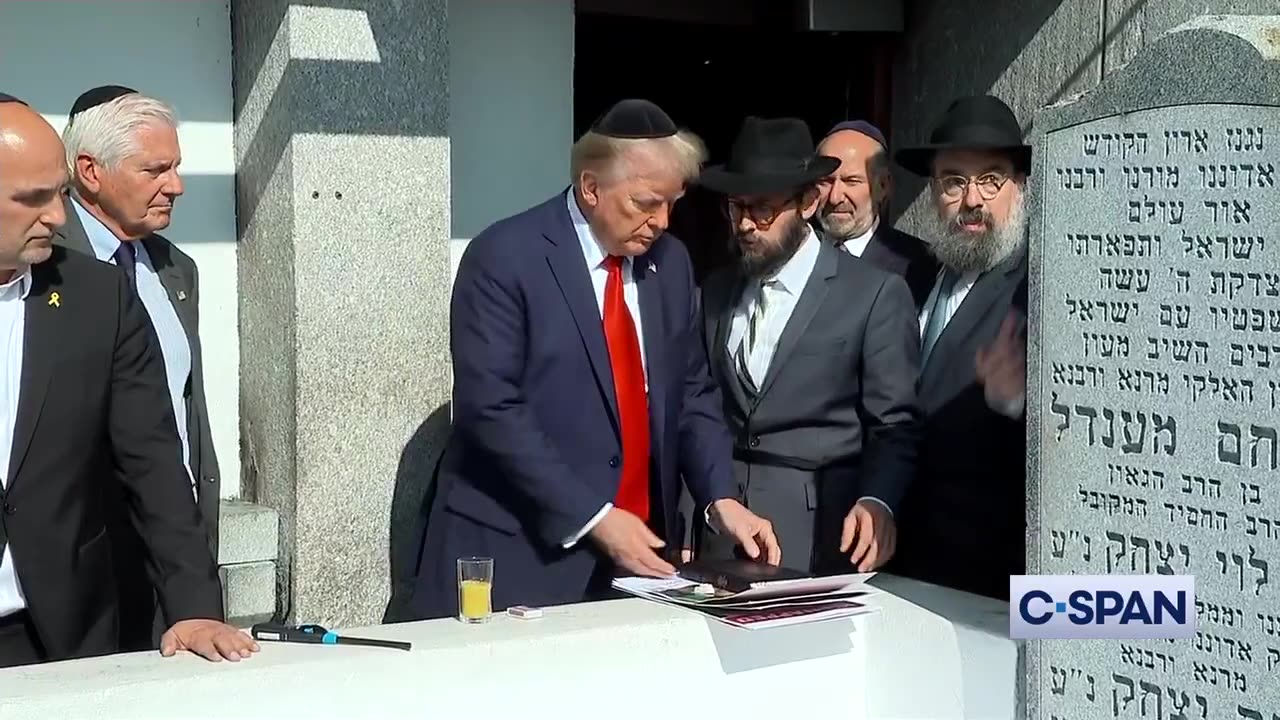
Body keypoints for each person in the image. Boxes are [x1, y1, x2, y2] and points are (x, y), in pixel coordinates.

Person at [408, 99, 781, 619]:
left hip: (638, 564)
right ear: (590, 188)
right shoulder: (505, 257)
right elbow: (490, 408)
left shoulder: (669, 264)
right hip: (521, 553)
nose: (662, 222)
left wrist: (722, 499)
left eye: (673, 203)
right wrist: (596, 518)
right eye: (646, 203)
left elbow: (691, 392)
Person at [0, 93, 255, 666]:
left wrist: (193, 605)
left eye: (57, 193)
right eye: (33, 198)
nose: (58, 217)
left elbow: (154, 458)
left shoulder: (98, 294)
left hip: (58, 635)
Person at [690, 116, 921, 574]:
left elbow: (895, 424)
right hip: (722, 535)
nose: (746, 226)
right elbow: (698, 409)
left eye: (763, 210)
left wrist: (879, 501)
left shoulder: (874, 294)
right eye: (736, 208)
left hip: (821, 540)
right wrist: (696, 515)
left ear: (809, 202)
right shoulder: (714, 291)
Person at [54, 85, 221, 650]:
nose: (174, 186)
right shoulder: (46, 267)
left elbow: (181, 407)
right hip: (80, 568)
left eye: (175, 168)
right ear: (90, 172)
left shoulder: (176, 269)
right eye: (154, 169)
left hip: (170, 553)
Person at [886, 95, 1030, 600]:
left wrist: (1016, 403)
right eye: (954, 181)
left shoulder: (1037, 287)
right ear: (933, 192)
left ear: (1019, 188)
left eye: (991, 179)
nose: (972, 199)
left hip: (986, 581)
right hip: (902, 563)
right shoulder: (915, 276)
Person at [814, 121, 937, 308]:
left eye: (851, 181)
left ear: (883, 186)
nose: (835, 197)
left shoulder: (918, 266)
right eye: (826, 181)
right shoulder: (795, 255)